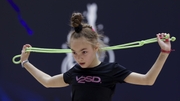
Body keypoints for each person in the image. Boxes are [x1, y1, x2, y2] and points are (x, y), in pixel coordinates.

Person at [20, 12, 172, 101]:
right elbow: (48, 81)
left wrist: (164, 53)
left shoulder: (112, 69)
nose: (79, 57)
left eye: (84, 52)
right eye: (74, 52)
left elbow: (147, 80)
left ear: (96, 47)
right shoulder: (74, 72)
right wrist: (25, 62)